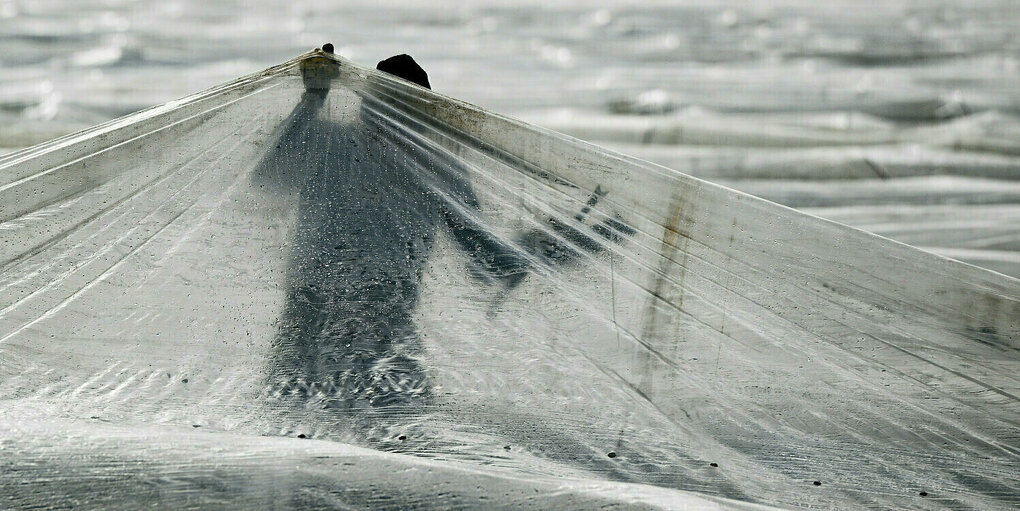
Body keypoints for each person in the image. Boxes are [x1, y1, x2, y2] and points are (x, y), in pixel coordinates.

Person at [253, 47, 528, 412]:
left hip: (337, 307)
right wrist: (560, 245)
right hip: (358, 310)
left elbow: (489, 259)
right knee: (393, 420)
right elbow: (491, 262)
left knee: (294, 411)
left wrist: (313, 98)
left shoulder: (337, 144)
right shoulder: (432, 166)